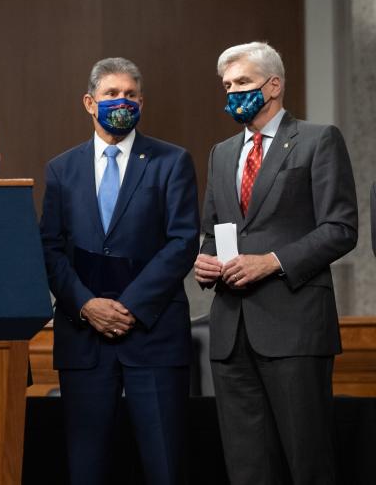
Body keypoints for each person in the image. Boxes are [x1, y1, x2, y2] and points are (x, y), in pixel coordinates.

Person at [193, 42, 357, 484]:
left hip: (295, 327)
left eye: (243, 83)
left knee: (308, 462)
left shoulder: (319, 140)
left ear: (274, 85)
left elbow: (340, 228)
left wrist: (272, 261)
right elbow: (212, 231)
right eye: (227, 86)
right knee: (247, 467)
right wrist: (204, 261)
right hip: (230, 333)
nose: (233, 93)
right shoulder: (221, 153)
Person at [40, 57, 199, 485]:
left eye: (130, 94)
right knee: (86, 468)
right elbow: (51, 249)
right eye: (112, 94)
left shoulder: (172, 161)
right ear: (89, 103)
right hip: (84, 338)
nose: (122, 101)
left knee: (165, 465)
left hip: (153, 333)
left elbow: (182, 241)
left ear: (142, 101)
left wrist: (127, 307)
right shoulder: (61, 169)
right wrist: (88, 305)